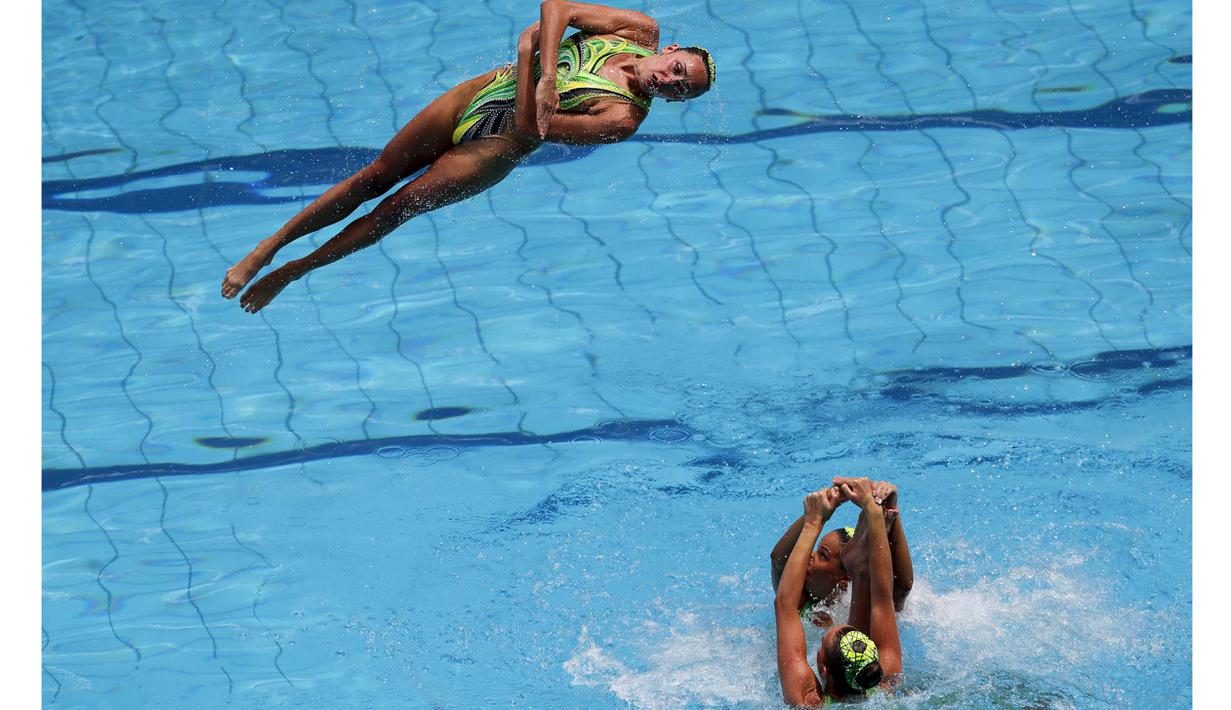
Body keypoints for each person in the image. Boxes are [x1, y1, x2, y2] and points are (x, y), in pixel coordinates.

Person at [220, 1, 716, 312]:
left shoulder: (620, 118)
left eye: (679, 91)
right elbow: (556, 7)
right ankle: (271, 246)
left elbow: (529, 127)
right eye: (676, 69)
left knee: (393, 209)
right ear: (668, 48)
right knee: (375, 176)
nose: (669, 82)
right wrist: (542, 79)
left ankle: (295, 269)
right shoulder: (636, 29)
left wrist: (528, 59)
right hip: (479, 94)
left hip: (495, 147)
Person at [774, 479, 904, 705]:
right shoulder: (885, 689)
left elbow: (785, 604)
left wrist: (813, 521)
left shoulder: (810, 702)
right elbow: (883, 600)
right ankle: (861, 569)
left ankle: (861, 568)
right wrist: (875, 513)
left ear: (823, 669)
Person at [769, 480, 913, 626]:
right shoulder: (804, 600)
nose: (810, 556)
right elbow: (778, 560)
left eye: (823, 555)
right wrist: (815, 514)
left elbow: (901, 590)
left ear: (844, 580)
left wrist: (893, 513)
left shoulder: (866, 610)